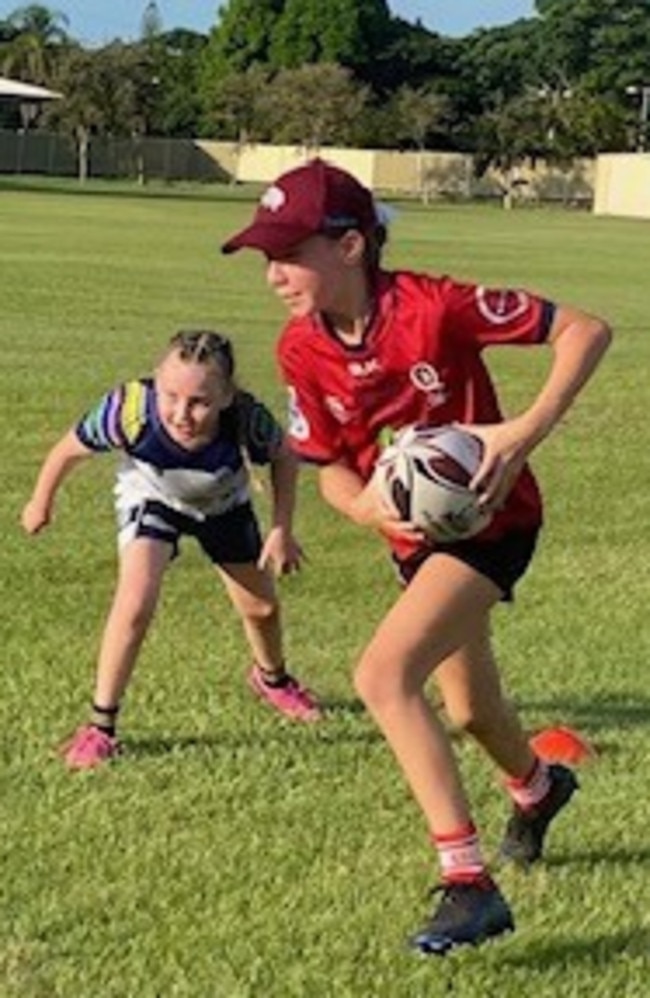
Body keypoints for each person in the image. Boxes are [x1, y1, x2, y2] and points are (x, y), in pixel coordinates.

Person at [221, 158, 612, 954]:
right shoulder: (301, 349)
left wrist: (521, 433)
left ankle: (468, 884)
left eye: (289, 253)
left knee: (381, 675)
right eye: (266, 256)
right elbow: (326, 462)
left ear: (353, 246)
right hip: (414, 544)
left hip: (494, 528)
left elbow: (586, 329)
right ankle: (538, 790)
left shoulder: (434, 307)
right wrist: (362, 503)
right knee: (470, 711)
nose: (274, 274)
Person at [21, 329, 321, 770]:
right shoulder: (129, 409)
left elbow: (284, 456)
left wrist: (281, 528)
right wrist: (40, 501)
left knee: (261, 610)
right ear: (155, 382)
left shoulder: (246, 417)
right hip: (153, 498)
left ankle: (271, 679)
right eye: (170, 395)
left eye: (199, 401)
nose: (181, 413)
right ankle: (100, 727)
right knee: (135, 601)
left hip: (224, 505)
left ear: (224, 397)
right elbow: (67, 450)